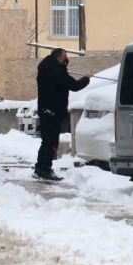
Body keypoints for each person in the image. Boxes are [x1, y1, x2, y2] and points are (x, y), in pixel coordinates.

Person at [34, 48, 91, 181]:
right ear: (58, 58)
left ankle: (40, 168)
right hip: (54, 110)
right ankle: (46, 169)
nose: (66, 60)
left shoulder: (44, 68)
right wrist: (87, 78)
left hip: (44, 109)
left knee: (46, 141)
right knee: (52, 142)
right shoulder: (58, 72)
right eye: (65, 57)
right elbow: (74, 85)